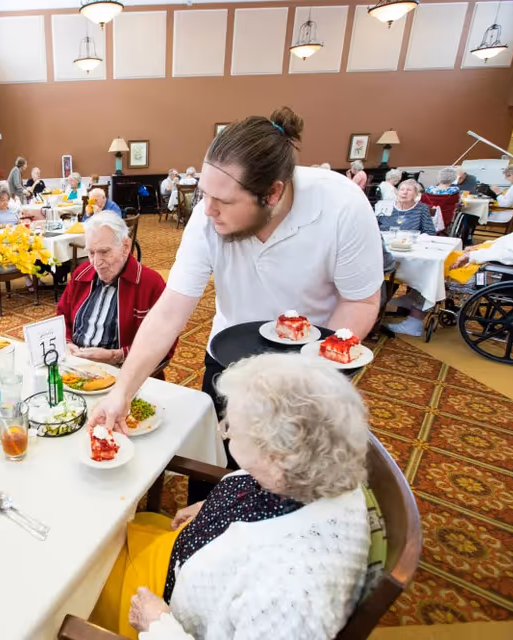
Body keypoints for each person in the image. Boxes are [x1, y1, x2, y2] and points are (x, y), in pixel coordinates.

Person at [88, 106, 384, 441]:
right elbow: (169, 312)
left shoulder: (341, 206)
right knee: (217, 467)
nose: (207, 209)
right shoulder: (207, 216)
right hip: (229, 354)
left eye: (224, 201)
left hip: (310, 363)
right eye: (205, 193)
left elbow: (360, 301)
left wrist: (313, 378)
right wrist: (122, 391)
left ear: (272, 193)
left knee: (286, 478)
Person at [90, 354, 371, 640]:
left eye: (230, 429)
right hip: (177, 547)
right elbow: (256, 492)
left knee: (79, 582)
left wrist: (158, 626)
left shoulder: (289, 596)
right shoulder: (317, 462)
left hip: (162, 601)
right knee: (100, 534)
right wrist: (211, 506)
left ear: (274, 456)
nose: (223, 431)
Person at [57, 213, 175, 366]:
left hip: (123, 371)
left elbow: (165, 342)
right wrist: (67, 342)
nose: (96, 263)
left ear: (125, 247)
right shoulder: (82, 273)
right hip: (74, 365)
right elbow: (61, 315)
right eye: (91, 252)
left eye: (104, 252)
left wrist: (116, 355)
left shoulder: (150, 283)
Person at [452, 180, 513, 271]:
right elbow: (509, 244)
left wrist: (474, 255)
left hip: (503, 273)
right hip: (497, 263)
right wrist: (480, 247)